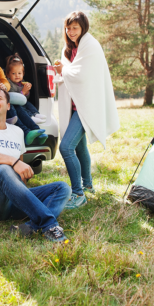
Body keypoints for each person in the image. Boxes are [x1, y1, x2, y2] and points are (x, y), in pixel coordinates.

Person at [0, 86, 71, 242]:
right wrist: (13, 162)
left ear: (8, 106)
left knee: (62, 187)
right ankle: (49, 224)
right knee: (3, 169)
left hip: (13, 203)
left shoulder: (17, 132)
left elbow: (20, 173)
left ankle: (31, 227)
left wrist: (19, 174)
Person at [54, 11, 120, 209]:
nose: (71, 31)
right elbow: (71, 72)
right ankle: (88, 185)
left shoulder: (89, 45)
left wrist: (62, 71)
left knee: (66, 147)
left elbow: (81, 75)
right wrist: (63, 69)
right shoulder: (71, 48)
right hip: (77, 106)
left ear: (83, 28)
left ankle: (78, 193)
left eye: (75, 27)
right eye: (68, 27)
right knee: (80, 147)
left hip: (86, 106)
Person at [0, 45, 46, 146]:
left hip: (2, 99)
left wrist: (5, 87)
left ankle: (36, 130)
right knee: (10, 107)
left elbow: (5, 82)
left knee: (18, 108)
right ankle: (26, 133)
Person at [6, 53, 46, 124]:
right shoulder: (9, 83)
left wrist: (27, 92)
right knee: (21, 108)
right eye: (13, 73)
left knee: (28, 104)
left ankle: (36, 113)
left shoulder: (22, 82)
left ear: (23, 74)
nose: (17, 75)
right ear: (8, 75)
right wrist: (23, 92)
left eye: (19, 73)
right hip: (15, 103)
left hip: (23, 101)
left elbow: (26, 98)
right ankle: (30, 117)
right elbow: (12, 96)